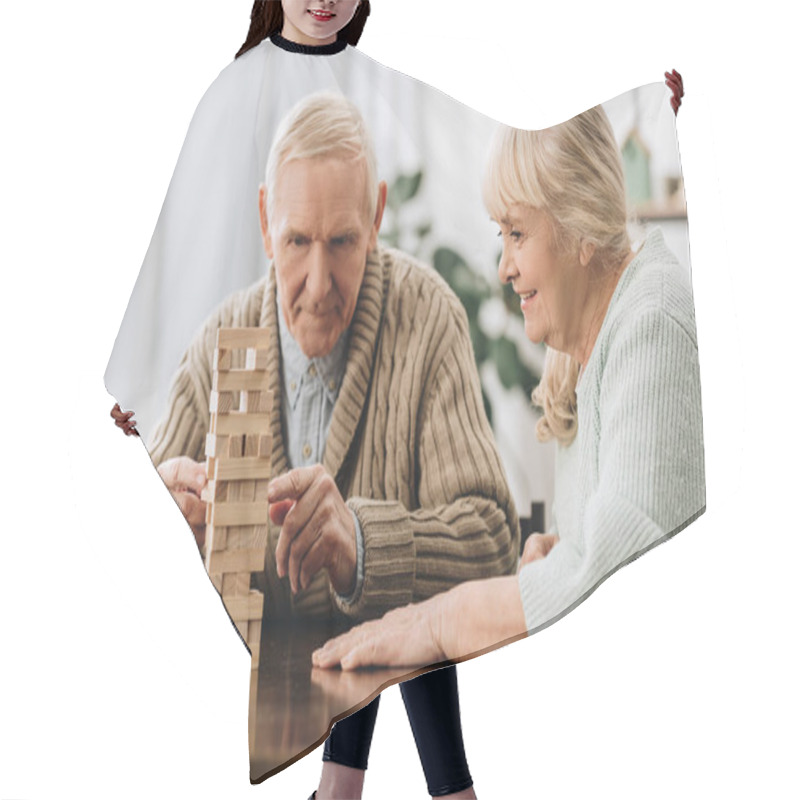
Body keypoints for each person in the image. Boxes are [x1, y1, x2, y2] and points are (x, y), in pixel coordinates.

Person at [115, 81, 518, 797]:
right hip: (254, 703)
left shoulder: (428, 318)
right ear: (267, 222)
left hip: (363, 669)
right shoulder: (220, 342)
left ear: (378, 218)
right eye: (298, 242)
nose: (318, 282)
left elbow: (492, 539)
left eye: (343, 242)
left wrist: (363, 544)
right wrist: (159, 520)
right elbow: (118, 562)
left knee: (380, 616)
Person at [312, 101, 705, 672]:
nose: (503, 267)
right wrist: (559, 565)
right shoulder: (589, 349)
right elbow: (602, 555)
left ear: (581, 228)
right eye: (503, 235)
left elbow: (621, 571)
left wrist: (439, 621)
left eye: (517, 233)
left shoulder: (653, 328)